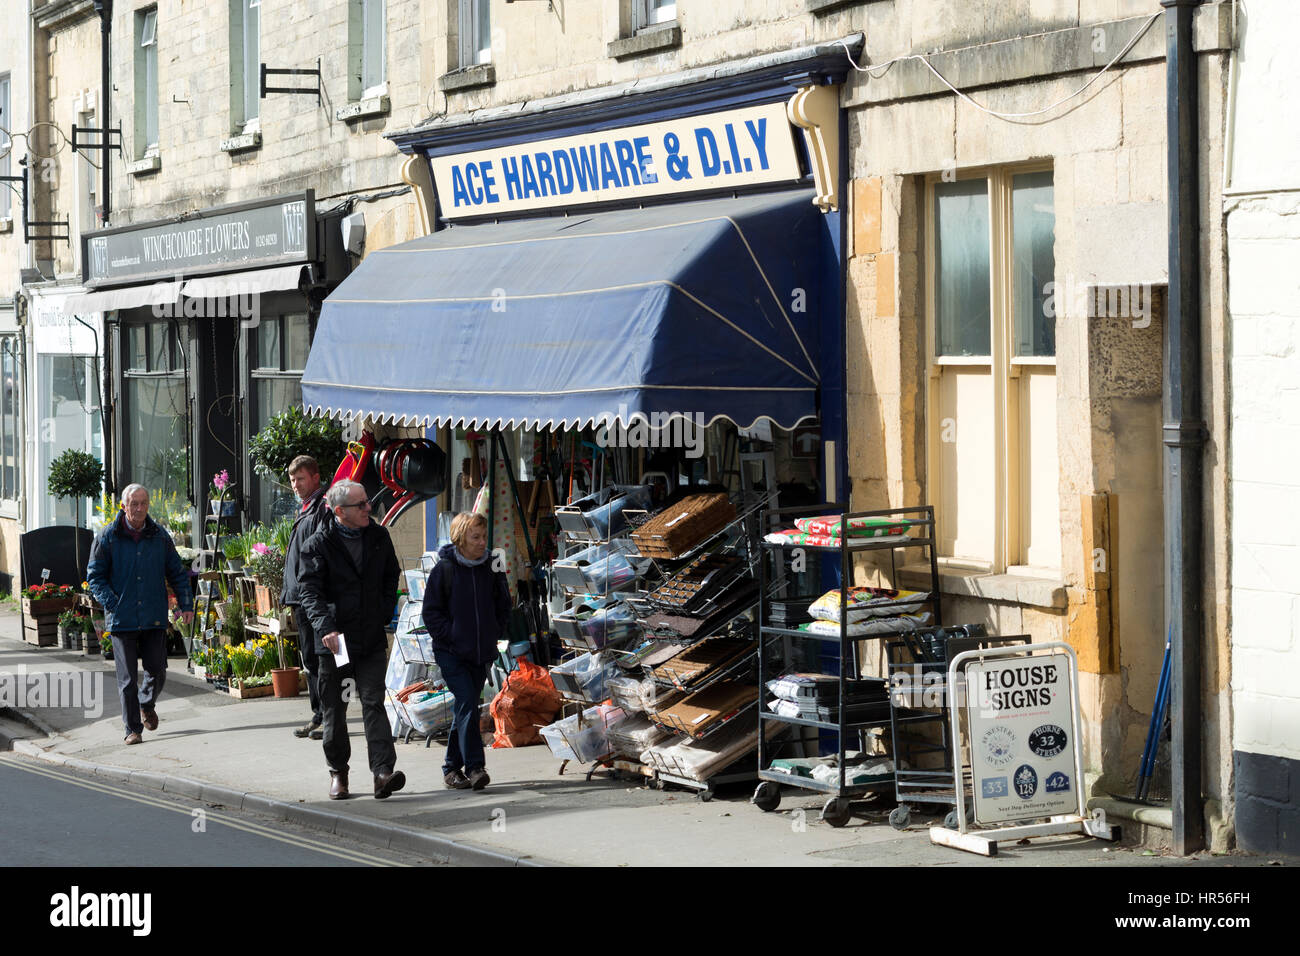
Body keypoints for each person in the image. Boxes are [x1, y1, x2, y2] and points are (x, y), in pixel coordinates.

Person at [297, 479, 404, 800]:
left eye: (367, 502)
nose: (369, 508)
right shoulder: (318, 543)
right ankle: (339, 774)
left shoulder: (378, 536)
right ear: (340, 511)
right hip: (336, 641)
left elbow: (390, 575)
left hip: (370, 636)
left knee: (373, 702)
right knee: (336, 708)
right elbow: (309, 592)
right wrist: (326, 628)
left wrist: (384, 612)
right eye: (361, 505)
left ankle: (382, 773)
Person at [86, 484, 194, 746]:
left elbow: (177, 573)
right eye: (134, 503)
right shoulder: (108, 537)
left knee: (158, 670)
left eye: (144, 503)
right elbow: (95, 577)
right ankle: (132, 729)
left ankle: (146, 703)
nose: (139, 508)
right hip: (122, 619)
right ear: (123, 506)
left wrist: (186, 604)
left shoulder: (159, 536)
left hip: (153, 615)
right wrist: (113, 603)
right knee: (127, 680)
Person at [421, 511, 510, 791]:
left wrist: (495, 632)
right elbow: (431, 613)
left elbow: (503, 605)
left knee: (466, 707)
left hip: (481, 651)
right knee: (468, 703)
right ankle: (474, 767)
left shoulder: (493, 566)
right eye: (475, 536)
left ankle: (450, 768)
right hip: (452, 653)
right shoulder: (444, 569)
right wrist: (453, 637)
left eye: (484, 536)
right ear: (460, 538)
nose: (482, 542)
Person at [280, 455, 332, 740]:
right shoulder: (306, 508)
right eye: (292, 480)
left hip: (315, 598)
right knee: (310, 661)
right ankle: (319, 714)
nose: (296, 485)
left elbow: (319, 556)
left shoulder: (322, 508)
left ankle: (329, 718)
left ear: (315, 477)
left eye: (300, 479)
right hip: (301, 598)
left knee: (323, 662)